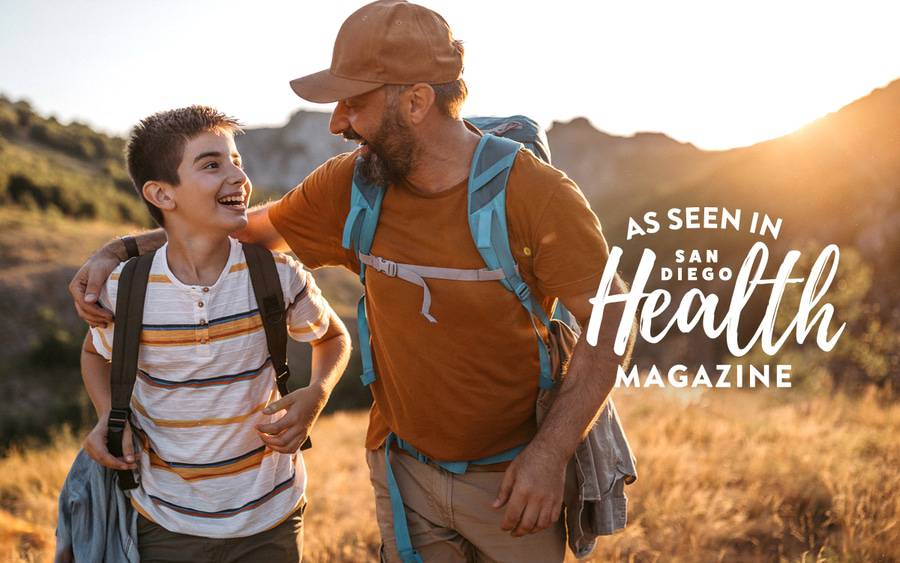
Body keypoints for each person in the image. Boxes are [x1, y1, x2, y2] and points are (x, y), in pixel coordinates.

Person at [70, 2, 633, 561]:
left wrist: (550, 454)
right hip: (403, 470)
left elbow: (612, 324)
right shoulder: (353, 184)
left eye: (353, 102)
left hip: (515, 478)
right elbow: (237, 232)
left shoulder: (538, 195)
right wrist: (120, 249)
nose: (337, 122)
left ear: (414, 100)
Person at [77, 106, 351, 562]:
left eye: (237, 161)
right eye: (212, 164)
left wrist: (317, 393)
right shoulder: (125, 289)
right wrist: (108, 415)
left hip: (272, 516)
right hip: (166, 520)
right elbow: (92, 354)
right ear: (162, 194)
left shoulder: (278, 274)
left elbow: (333, 336)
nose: (237, 177)